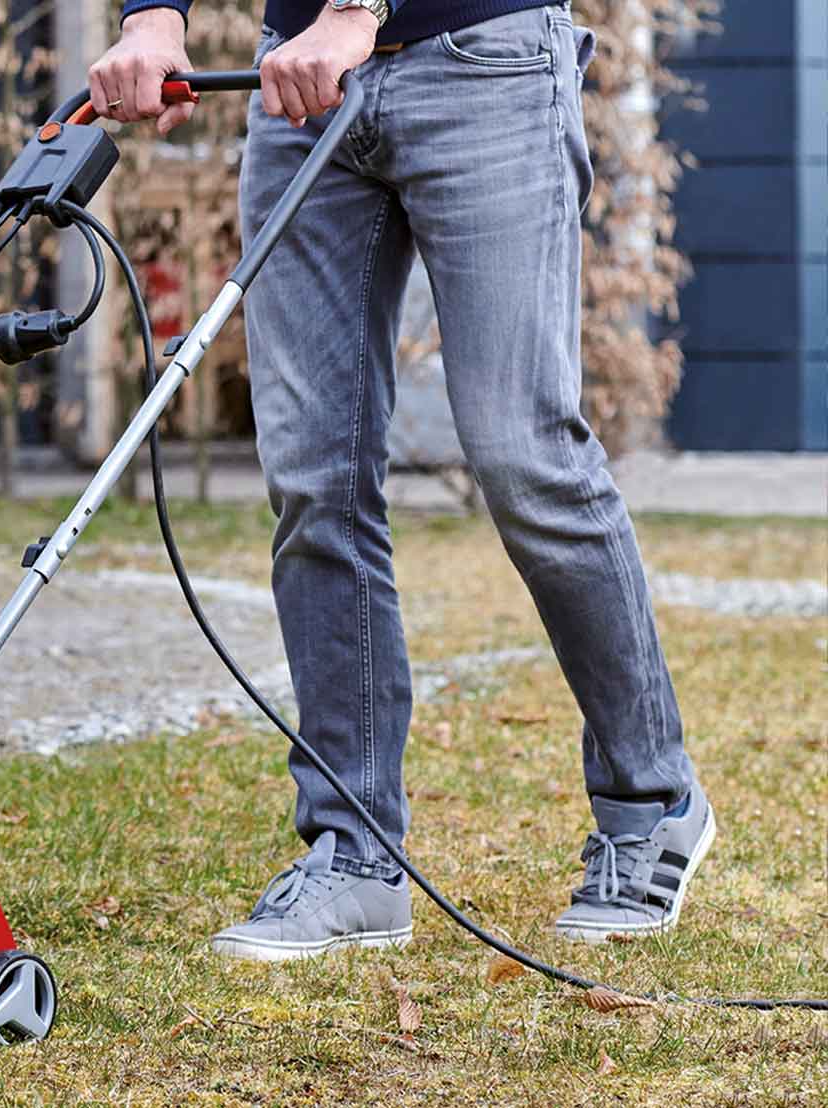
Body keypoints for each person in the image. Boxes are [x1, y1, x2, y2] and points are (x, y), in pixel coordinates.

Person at [88, 0, 714, 961]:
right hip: (299, 85)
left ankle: (651, 802)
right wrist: (152, 18)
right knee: (312, 475)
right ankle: (355, 855)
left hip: (483, 58)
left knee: (524, 455)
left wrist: (358, 11)